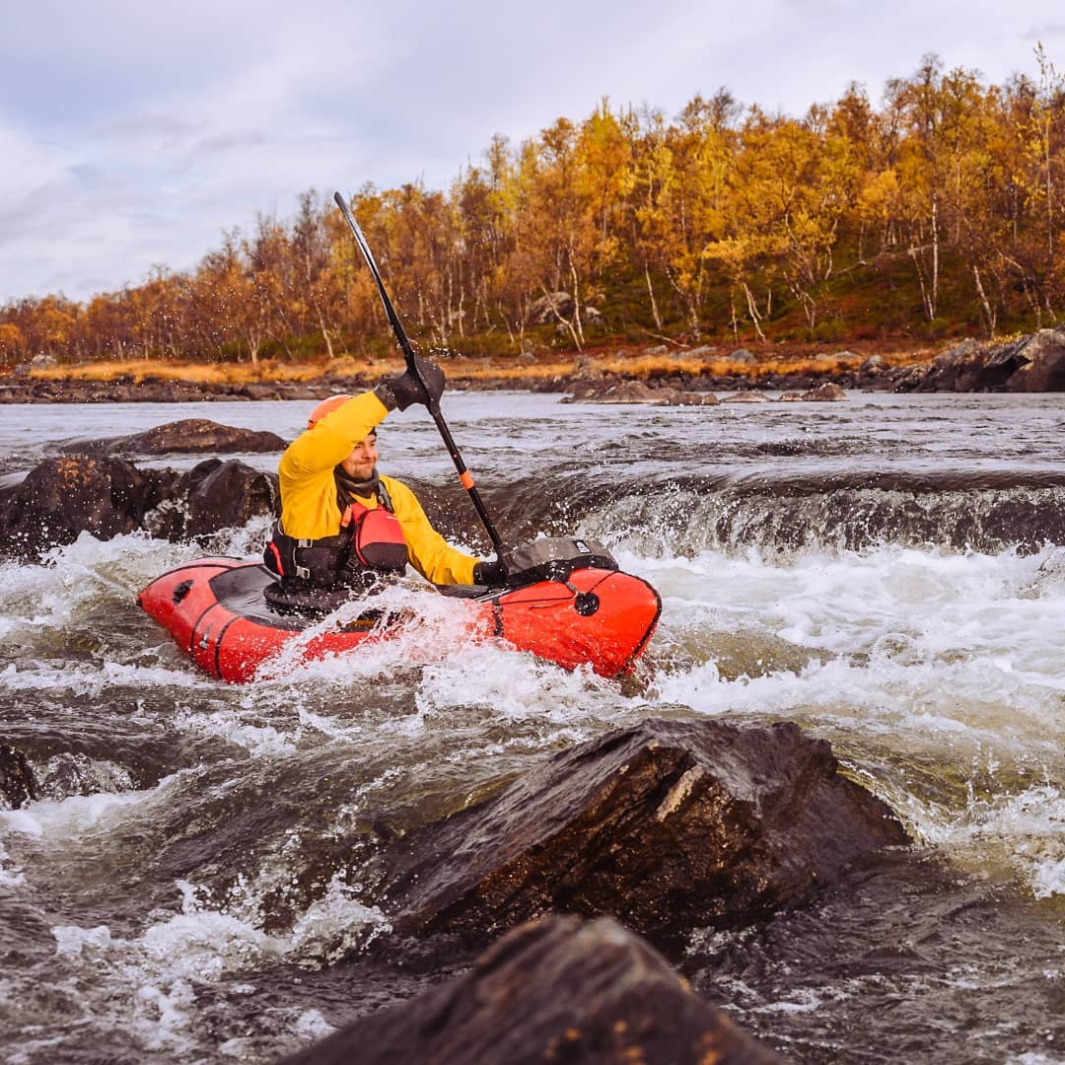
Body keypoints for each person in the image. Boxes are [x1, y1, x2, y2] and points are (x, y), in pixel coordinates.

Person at [263, 355, 505, 615]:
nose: (369, 454)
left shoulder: (392, 494)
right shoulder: (303, 480)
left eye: (372, 443)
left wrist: (485, 571)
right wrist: (393, 393)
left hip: (373, 612)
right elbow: (334, 435)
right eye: (357, 446)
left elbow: (434, 558)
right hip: (307, 610)